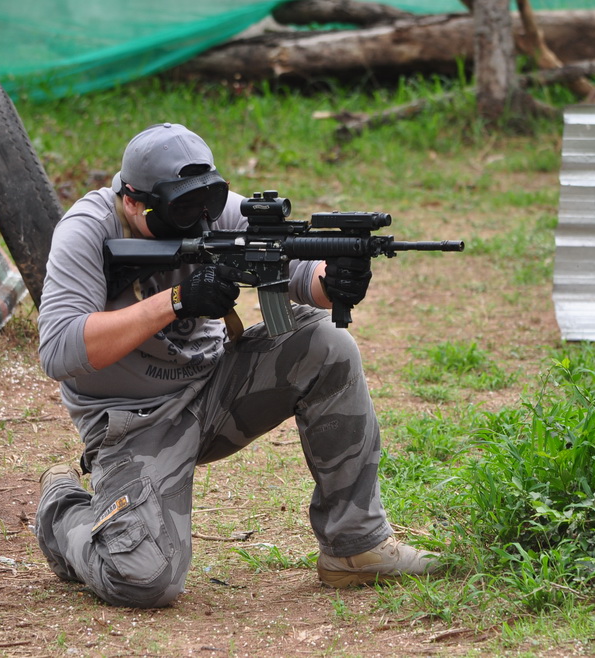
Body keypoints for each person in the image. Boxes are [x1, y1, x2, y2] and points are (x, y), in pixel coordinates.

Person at [35, 122, 440, 608]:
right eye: (181, 211)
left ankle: (355, 546)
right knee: (143, 579)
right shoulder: (86, 229)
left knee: (327, 341)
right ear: (133, 202)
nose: (199, 221)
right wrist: (177, 300)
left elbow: (298, 272)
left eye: (207, 202)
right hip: (134, 422)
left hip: (218, 389)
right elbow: (58, 350)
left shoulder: (214, 208)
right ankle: (63, 511)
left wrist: (334, 279)